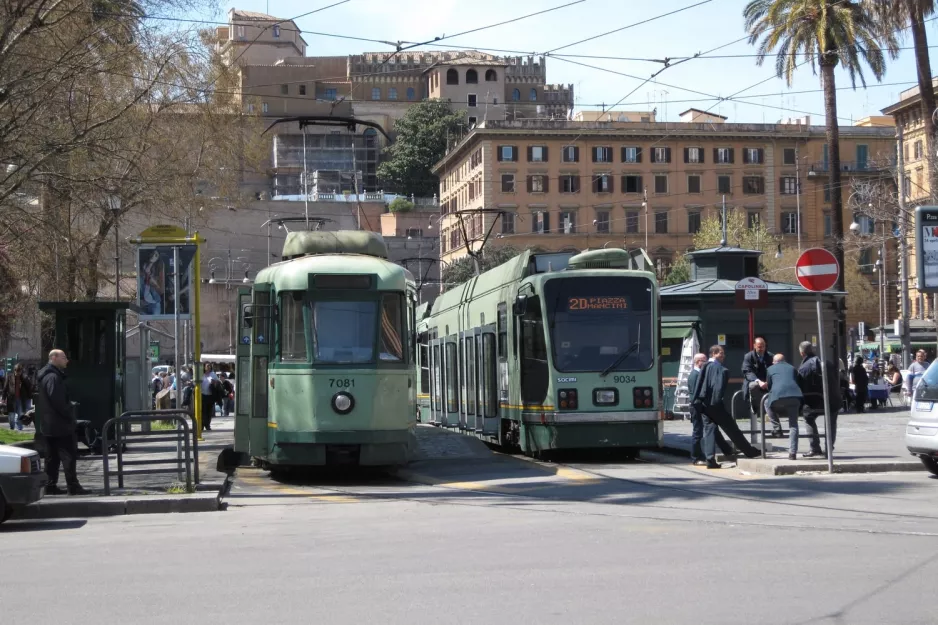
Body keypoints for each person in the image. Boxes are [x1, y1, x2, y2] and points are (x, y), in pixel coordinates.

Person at [692, 345, 762, 469]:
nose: (723, 356)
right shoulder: (721, 370)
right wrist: (717, 401)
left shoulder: (705, 366)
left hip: (704, 404)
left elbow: (699, 384)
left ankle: (710, 459)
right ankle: (749, 451)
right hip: (715, 405)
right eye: (721, 353)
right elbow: (718, 388)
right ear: (713, 353)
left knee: (709, 431)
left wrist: (696, 401)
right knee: (732, 429)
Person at [36, 350, 90, 495]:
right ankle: (73, 486)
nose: (67, 360)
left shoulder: (46, 376)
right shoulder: (53, 377)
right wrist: (69, 412)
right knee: (68, 456)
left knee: (52, 458)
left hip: (49, 425)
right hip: (60, 425)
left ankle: (50, 486)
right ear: (54, 358)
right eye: (64, 357)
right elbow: (58, 401)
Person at [687, 353, 734, 466]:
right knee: (698, 433)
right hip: (697, 407)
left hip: (703, 407)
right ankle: (696, 457)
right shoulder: (695, 375)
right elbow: (695, 394)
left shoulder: (701, 374)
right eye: (704, 360)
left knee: (713, 430)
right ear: (698, 362)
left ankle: (727, 450)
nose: (707, 363)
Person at [797, 341, 840, 459]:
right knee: (831, 422)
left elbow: (800, 386)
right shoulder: (828, 363)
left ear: (802, 353)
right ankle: (829, 449)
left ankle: (815, 448)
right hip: (833, 400)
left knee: (808, 418)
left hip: (813, 402)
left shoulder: (803, 368)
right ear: (813, 350)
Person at [765, 354, 803, 460]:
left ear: (774, 361)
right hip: (794, 397)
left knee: (766, 402)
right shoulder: (792, 368)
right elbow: (797, 381)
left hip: (777, 397)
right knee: (793, 424)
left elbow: (769, 385)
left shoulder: (770, 369)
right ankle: (793, 453)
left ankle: (777, 428)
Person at [742, 337, 780, 438]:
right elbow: (747, 372)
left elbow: (774, 370)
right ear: (754, 346)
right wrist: (759, 381)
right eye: (759, 347)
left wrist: (768, 382)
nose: (762, 349)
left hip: (767, 385)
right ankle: (755, 405)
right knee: (753, 385)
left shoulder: (770, 356)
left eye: (763, 346)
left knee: (769, 404)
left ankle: (777, 429)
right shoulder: (748, 356)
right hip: (755, 383)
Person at [3, 363, 33, 431]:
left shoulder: (24, 377)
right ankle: (12, 427)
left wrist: (24, 378)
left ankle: (19, 428)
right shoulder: (10, 376)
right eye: (16, 371)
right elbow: (5, 387)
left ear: (21, 371)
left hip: (20, 398)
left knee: (20, 414)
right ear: (14, 370)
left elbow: (29, 386)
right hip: (11, 398)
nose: (18, 373)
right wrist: (3, 398)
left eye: (19, 371)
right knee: (11, 415)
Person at [140, 249, 166, 315]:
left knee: (155, 320)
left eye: (156, 255)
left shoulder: (159, 272)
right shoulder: (143, 270)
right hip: (143, 303)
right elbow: (146, 271)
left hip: (154, 304)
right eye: (153, 254)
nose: (153, 256)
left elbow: (161, 291)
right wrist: (151, 263)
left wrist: (155, 284)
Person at [200, 363, 222, 431]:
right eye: (207, 366)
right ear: (204, 367)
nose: (209, 367)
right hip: (202, 394)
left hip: (210, 395)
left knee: (209, 411)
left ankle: (207, 425)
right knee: (202, 411)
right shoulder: (201, 374)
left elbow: (219, 382)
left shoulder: (213, 374)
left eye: (210, 366)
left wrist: (214, 382)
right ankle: (201, 425)